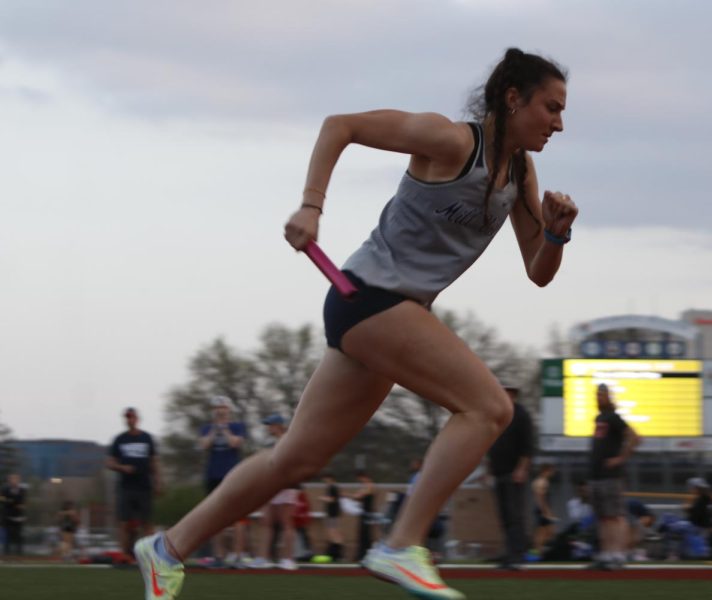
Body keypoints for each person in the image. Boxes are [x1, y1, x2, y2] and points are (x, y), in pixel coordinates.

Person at [135, 47, 575, 600]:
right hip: (368, 297)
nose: (559, 123)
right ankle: (401, 544)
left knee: (295, 460)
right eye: (551, 108)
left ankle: (167, 548)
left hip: (390, 313)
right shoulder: (452, 142)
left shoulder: (519, 173)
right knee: (489, 408)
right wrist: (311, 206)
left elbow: (538, 271)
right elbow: (339, 126)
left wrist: (555, 233)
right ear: (513, 99)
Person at [587, 383, 641, 570]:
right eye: (597, 395)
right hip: (597, 476)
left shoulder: (614, 418)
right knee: (603, 517)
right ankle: (606, 554)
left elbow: (635, 436)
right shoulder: (599, 418)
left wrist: (621, 458)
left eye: (601, 395)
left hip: (611, 477)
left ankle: (617, 555)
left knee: (614, 516)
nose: (598, 398)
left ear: (608, 397)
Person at [486, 382, 534, 569]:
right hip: (499, 470)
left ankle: (517, 554)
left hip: (513, 472)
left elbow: (527, 446)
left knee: (515, 515)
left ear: (513, 393)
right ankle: (509, 551)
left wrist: (522, 468)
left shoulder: (521, 415)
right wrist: (489, 467)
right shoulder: (499, 414)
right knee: (504, 515)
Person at [198, 395, 247, 567]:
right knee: (215, 517)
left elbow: (235, 443)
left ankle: (238, 555)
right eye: (217, 408)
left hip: (233, 475)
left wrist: (224, 429)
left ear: (229, 409)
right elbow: (204, 445)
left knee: (237, 517)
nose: (220, 410)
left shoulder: (237, 426)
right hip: (213, 476)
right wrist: (214, 430)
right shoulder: (206, 428)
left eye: (223, 407)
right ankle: (219, 556)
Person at [107, 407, 161, 558]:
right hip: (126, 487)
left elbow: (154, 462)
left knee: (147, 522)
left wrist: (158, 481)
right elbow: (109, 462)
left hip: (144, 486)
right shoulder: (120, 439)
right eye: (127, 418)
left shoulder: (147, 438)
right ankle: (125, 554)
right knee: (125, 523)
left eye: (132, 417)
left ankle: (151, 554)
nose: (130, 420)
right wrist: (121, 467)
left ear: (137, 419)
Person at [249, 414, 297, 570]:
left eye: (270, 425)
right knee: (266, 522)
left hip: (287, 484)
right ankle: (263, 557)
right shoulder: (270, 442)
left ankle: (288, 559)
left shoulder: (288, 440)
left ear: (278, 425)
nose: (268, 428)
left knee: (286, 523)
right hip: (272, 485)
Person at [530, 463, 557, 558]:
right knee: (542, 534)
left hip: (542, 509)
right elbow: (540, 497)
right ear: (546, 470)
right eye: (552, 471)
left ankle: (538, 552)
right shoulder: (542, 482)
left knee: (547, 532)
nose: (553, 473)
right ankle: (536, 554)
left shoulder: (539, 481)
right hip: (542, 509)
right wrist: (546, 511)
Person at [319, 472, 344, 561]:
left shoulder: (333, 487)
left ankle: (337, 552)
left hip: (333, 513)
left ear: (330, 478)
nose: (324, 481)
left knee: (333, 532)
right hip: (331, 513)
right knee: (332, 532)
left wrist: (323, 498)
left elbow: (332, 499)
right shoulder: (329, 488)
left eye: (325, 479)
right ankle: (335, 551)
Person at [352, 471, 376, 562]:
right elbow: (358, 497)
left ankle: (366, 554)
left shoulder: (370, 486)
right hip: (364, 512)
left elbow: (359, 496)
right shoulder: (364, 486)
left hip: (368, 513)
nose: (360, 481)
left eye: (360, 479)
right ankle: (361, 554)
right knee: (362, 533)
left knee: (366, 534)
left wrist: (353, 495)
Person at [1, 473, 26, 556]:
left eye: (16, 479)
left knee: (19, 537)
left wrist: (11, 502)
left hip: (18, 517)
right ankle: (6, 555)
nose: (14, 481)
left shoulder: (22, 490)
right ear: (9, 480)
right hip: (7, 517)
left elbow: (22, 503)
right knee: (7, 537)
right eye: (13, 479)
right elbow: (3, 500)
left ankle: (19, 555)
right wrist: (13, 502)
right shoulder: (5, 490)